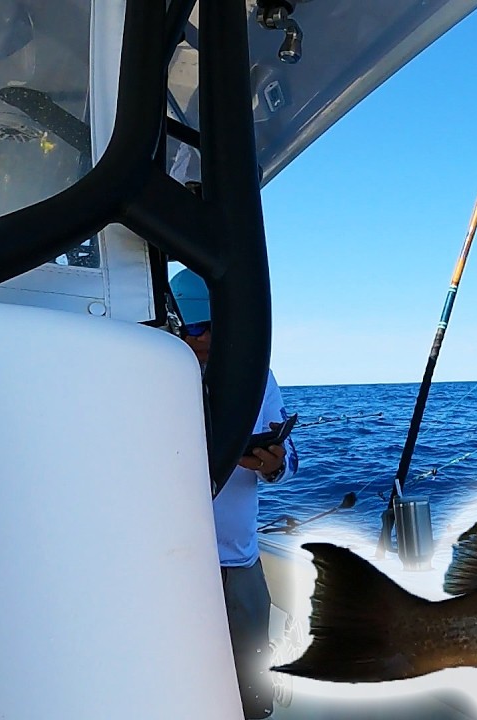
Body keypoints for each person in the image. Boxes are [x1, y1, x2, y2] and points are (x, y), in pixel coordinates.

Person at [170, 267, 300, 719]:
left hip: (239, 562)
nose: (203, 339)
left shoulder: (255, 376)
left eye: (213, 327)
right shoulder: (150, 375)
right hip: (170, 563)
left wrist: (276, 464)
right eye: (193, 327)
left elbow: (291, 458)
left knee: (251, 690)